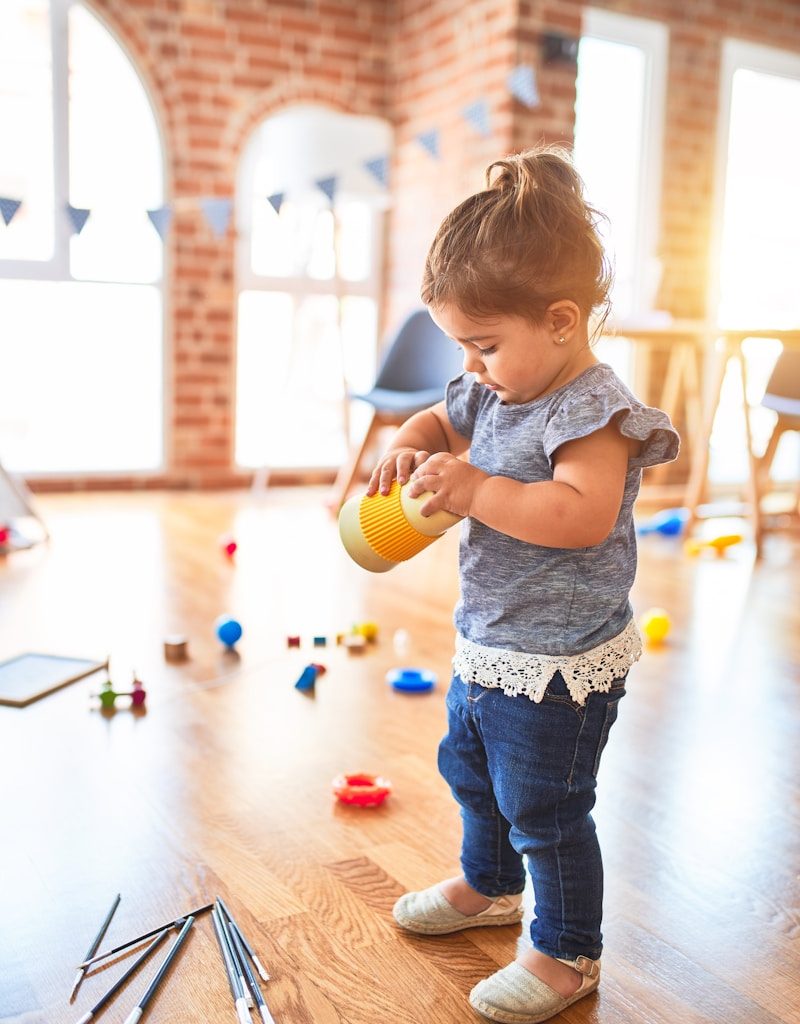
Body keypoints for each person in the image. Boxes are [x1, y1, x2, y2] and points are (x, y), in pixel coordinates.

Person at [366, 146, 680, 1024]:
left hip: (561, 663)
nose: (471, 366)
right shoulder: (496, 387)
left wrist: (474, 489)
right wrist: (410, 438)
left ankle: (565, 949)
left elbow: (578, 515)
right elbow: (440, 412)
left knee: (545, 805)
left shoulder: (594, 411)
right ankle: (491, 883)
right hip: (494, 639)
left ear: (562, 320)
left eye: (484, 344)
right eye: (463, 346)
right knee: (469, 770)